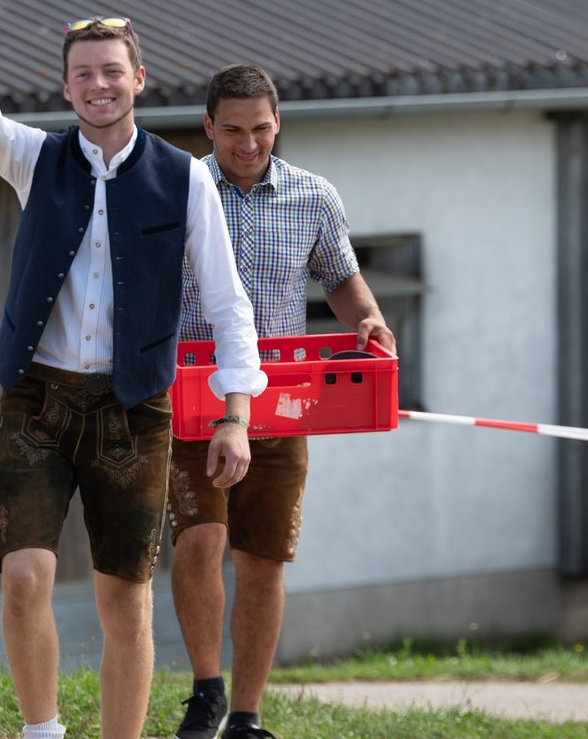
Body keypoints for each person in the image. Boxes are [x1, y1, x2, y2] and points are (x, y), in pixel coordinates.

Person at [0, 0, 266, 739]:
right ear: (66, 87)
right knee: (24, 580)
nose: (98, 85)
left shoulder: (185, 177)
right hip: (35, 402)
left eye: (112, 70)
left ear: (138, 79)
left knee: (125, 603)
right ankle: (42, 732)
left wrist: (236, 415)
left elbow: (227, 302)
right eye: (83, 73)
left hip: (134, 410)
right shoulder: (35, 158)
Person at [169, 64, 395, 739]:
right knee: (199, 543)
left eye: (260, 129)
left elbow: (342, 281)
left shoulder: (313, 196)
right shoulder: (176, 190)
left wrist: (369, 318)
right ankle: (206, 691)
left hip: (280, 404)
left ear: (278, 124)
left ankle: (246, 715)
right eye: (232, 131)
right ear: (208, 127)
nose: (248, 144)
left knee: (263, 560)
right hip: (193, 398)